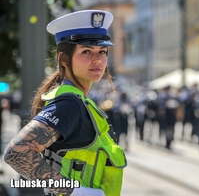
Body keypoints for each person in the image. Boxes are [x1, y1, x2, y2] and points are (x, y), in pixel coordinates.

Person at [4, 10, 127, 196]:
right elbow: (17, 153)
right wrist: (76, 192)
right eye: (86, 51)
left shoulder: (77, 100)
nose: (97, 59)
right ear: (63, 58)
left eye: (102, 51)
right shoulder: (70, 104)